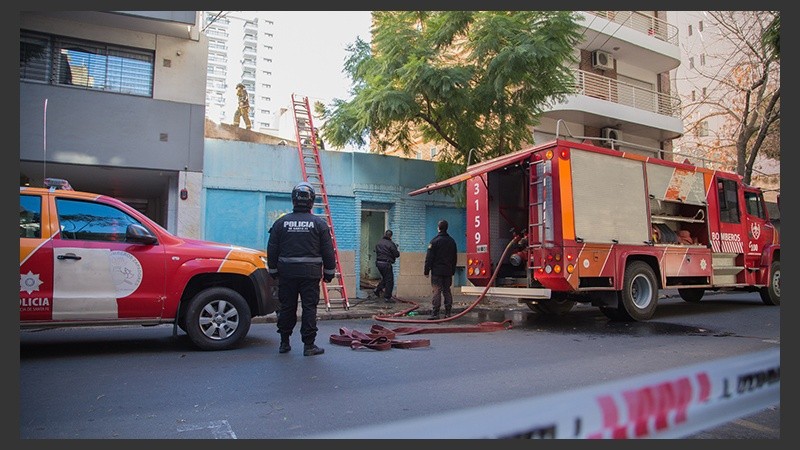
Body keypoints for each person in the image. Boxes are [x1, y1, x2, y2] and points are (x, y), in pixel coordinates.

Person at [267, 181, 336, 356]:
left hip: (286, 274)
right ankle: (309, 345)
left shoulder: (281, 223)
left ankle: (284, 343)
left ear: (293, 200)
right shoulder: (319, 224)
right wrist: (329, 272)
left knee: (287, 307)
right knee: (309, 308)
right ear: (311, 201)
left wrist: (273, 270)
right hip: (310, 274)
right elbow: (328, 251)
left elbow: (272, 248)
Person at [423, 219, 458, 319]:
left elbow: (429, 258)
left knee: (437, 291)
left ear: (438, 228)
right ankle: (448, 313)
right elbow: (454, 257)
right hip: (447, 271)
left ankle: (435, 313)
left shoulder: (434, 241)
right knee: (447, 291)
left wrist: (426, 271)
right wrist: (453, 270)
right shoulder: (452, 241)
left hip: (437, 272)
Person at [373, 229, 400, 303]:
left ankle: (377, 289)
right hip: (386, 264)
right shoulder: (391, 244)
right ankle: (387, 297)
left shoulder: (379, 242)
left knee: (385, 278)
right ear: (391, 236)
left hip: (378, 263)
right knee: (389, 280)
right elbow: (396, 254)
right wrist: (396, 249)